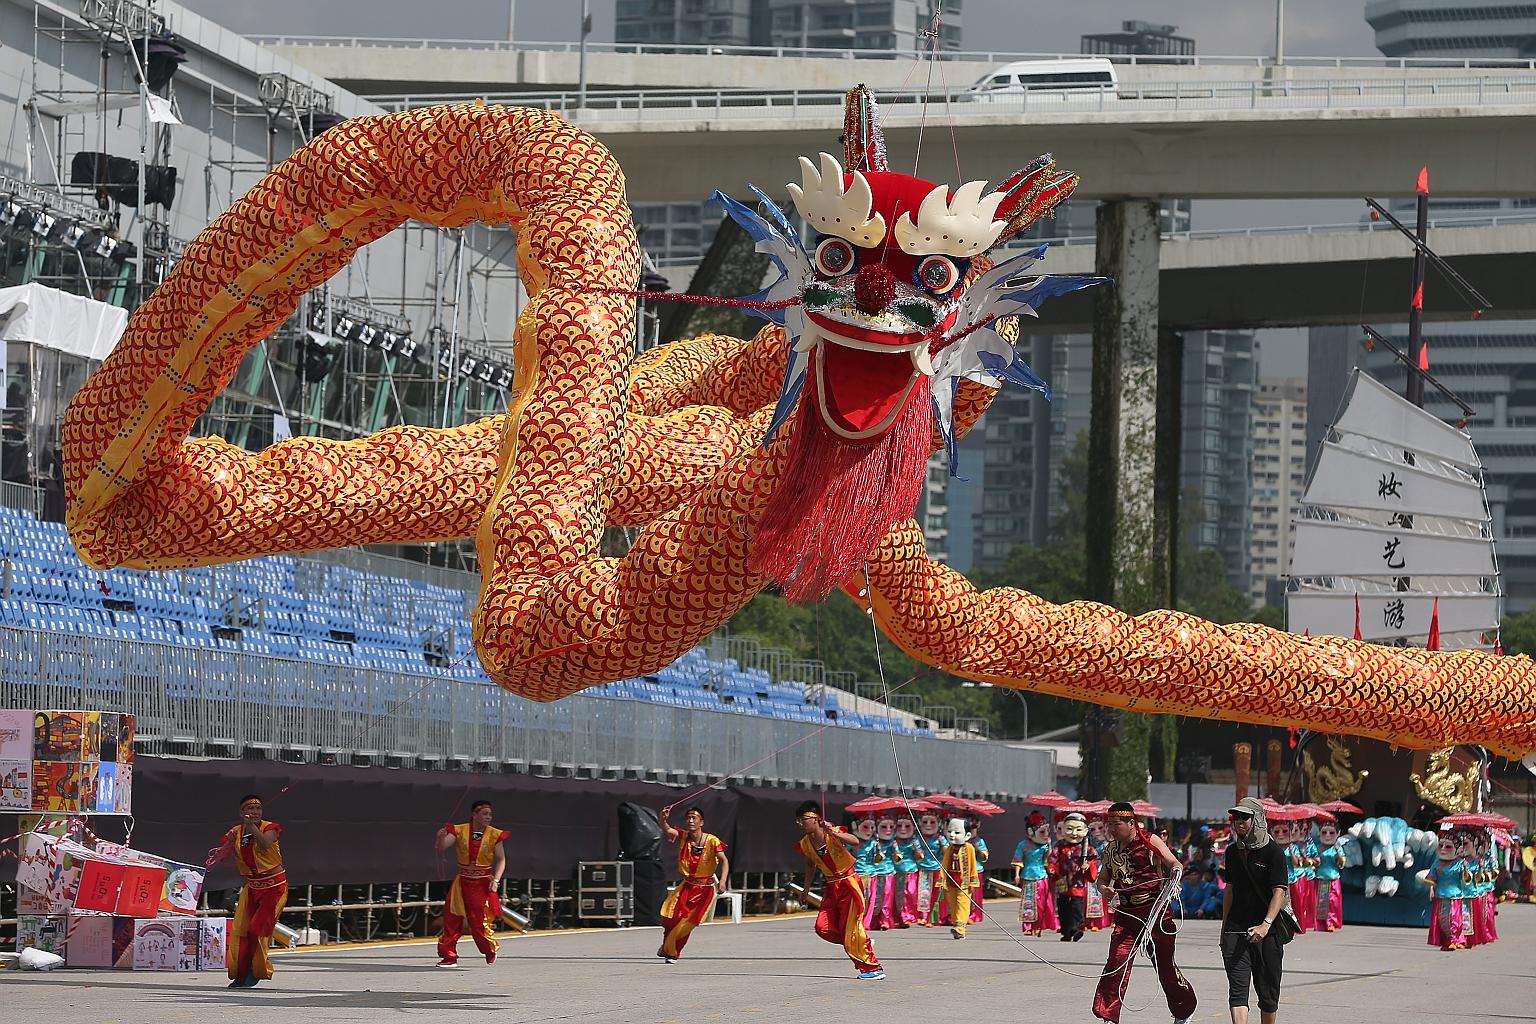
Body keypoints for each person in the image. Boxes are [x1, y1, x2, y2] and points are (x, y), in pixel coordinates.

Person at [1093, 802, 1197, 1024]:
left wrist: (1176, 871)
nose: (1111, 829)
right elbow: (1102, 879)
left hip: (1155, 913)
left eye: (1116, 824)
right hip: (1127, 915)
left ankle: (1184, 1009)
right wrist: (1104, 890)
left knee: (1165, 968)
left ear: (1131, 823)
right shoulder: (1110, 849)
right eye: (1109, 824)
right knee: (1116, 963)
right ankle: (1108, 1016)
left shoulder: (1150, 840)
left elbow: (1174, 862)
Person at [794, 801, 885, 980]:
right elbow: (810, 865)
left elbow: (855, 841)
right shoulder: (805, 843)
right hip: (831, 887)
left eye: (803, 819)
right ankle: (861, 942)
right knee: (823, 927)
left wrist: (833, 832)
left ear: (816, 819)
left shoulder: (832, 833)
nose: (800, 824)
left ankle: (873, 969)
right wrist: (805, 890)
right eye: (798, 820)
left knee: (851, 928)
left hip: (848, 883)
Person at [1222, 797, 1291, 1024]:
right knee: (1237, 992)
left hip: (1267, 933)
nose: (1239, 821)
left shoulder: (1273, 853)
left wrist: (1265, 924)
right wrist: (1224, 929)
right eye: (1236, 817)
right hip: (1236, 930)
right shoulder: (1232, 852)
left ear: (1258, 819)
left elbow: (1279, 892)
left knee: (1268, 995)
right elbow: (1229, 890)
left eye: (1245, 817)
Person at [219, 794, 287, 989]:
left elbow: (265, 844)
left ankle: (256, 971)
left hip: (274, 888)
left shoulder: (270, 828)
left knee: (257, 930)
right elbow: (224, 852)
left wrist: (251, 828)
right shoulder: (236, 831)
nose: (255, 812)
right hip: (253, 888)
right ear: (242, 812)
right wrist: (226, 847)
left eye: (258, 808)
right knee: (241, 931)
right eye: (250, 808)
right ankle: (241, 974)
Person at [435, 800, 507, 967]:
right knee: (452, 918)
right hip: (461, 882)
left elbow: (501, 859)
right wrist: (441, 837)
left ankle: (489, 949)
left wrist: (496, 880)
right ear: (474, 815)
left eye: (490, 814)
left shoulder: (495, 834)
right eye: (484, 814)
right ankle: (449, 956)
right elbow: (442, 847)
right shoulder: (460, 830)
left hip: (481, 883)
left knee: (478, 921)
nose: (488, 817)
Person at [656, 804, 729, 962]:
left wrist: (722, 881)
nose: (690, 821)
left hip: (705, 890)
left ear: (701, 822)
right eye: (688, 818)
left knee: (687, 923)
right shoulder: (683, 837)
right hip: (687, 886)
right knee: (672, 918)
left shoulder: (712, 840)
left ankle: (672, 953)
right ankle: (667, 946)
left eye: (694, 818)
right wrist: (663, 819)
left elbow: (724, 860)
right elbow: (667, 829)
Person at [1046, 811, 1099, 942]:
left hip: (1077, 882)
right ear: (1063, 829)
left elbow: (1095, 860)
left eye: (1078, 829)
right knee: (1063, 907)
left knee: (1076, 906)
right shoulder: (1059, 845)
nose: (1074, 833)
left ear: (1085, 830)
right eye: (1069, 829)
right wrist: (1051, 869)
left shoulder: (1087, 848)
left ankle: (1076, 929)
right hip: (1062, 881)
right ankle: (1066, 932)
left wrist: (1088, 865)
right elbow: (1052, 859)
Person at [1011, 812, 1057, 936]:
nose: (1045, 834)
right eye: (1042, 832)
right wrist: (1017, 874)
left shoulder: (1044, 846)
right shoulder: (1023, 845)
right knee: (1028, 902)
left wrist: (1049, 845)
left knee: (1041, 904)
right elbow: (1018, 860)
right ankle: (1027, 926)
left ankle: (1039, 926)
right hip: (1027, 876)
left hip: (1042, 877)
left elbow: (1049, 859)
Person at [940, 817, 980, 939]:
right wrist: (942, 881)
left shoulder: (969, 848)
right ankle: (957, 926)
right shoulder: (949, 849)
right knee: (953, 905)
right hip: (951, 881)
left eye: (957, 832)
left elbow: (973, 866)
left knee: (962, 904)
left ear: (967, 835)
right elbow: (944, 865)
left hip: (964, 883)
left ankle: (960, 928)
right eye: (949, 831)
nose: (952, 835)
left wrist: (973, 882)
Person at [912, 810, 947, 926]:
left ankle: (935, 917)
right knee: (923, 894)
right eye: (925, 822)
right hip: (922, 870)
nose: (928, 825)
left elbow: (945, 854)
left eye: (932, 822)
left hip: (937, 869)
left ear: (939, 823)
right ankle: (923, 917)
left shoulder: (941, 838)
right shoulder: (918, 839)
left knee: (937, 895)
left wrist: (943, 844)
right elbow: (916, 856)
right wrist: (916, 848)